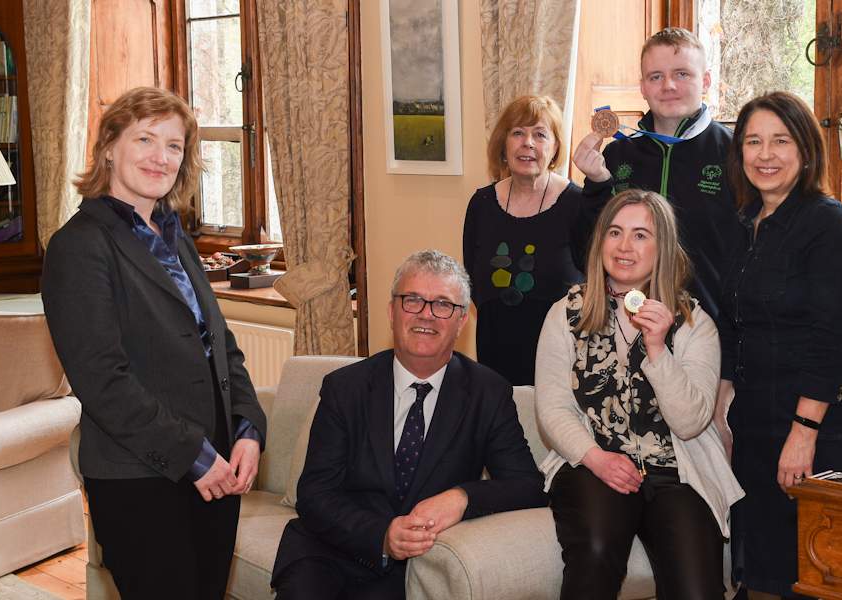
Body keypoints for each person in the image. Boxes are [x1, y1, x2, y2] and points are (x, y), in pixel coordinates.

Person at [42, 86, 267, 600]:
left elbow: (220, 345)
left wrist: (248, 427)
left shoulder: (174, 235)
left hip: (216, 468)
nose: (160, 157)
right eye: (144, 139)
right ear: (108, 147)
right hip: (141, 479)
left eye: (174, 145)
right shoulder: (78, 245)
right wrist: (194, 455)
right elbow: (104, 383)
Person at [270, 249, 548, 600]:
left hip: (416, 565)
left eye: (443, 304)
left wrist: (461, 498)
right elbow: (315, 495)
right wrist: (382, 536)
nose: (426, 315)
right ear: (392, 312)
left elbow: (528, 486)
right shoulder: (345, 387)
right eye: (413, 300)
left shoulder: (487, 393)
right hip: (329, 548)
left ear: (462, 321)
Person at [535, 189, 744, 600]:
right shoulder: (566, 313)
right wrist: (596, 459)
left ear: (662, 247)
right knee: (595, 551)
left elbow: (690, 422)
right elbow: (553, 407)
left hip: (676, 469)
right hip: (595, 461)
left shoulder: (695, 324)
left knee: (698, 591)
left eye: (640, 235)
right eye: (614, 232)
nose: (624, 246)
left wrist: (658, 349)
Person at [715, 91, 842, 599]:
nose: (766, 155)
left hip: (816, 423)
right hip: (755, 420)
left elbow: (834, 341)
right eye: (753, 142)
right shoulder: (745, 222)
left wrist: (804, 434)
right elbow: (733, 325)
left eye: (780, 141)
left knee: (816, 572)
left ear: (805, 149)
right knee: (763, 571)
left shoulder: (828, 224)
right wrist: (720, 412)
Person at [570, 27, 739, 321]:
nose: (668, 85)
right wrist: (597, 186)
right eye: (656, 76)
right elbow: (585, 256)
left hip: (710, 328)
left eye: (682, 74)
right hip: (625, 328)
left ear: (706, 81)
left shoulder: (737, 154)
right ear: (642, 86)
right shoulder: (615, 157)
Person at [463, 94, 585, 385]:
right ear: (504, 144)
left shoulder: (579, 204)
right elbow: (471, 282)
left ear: (555, 147)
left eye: (540, 134)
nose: (528, 143)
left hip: (561, 363)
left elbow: (595, 286)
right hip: (495, 356)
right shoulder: (481, 204)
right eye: (518, 133)